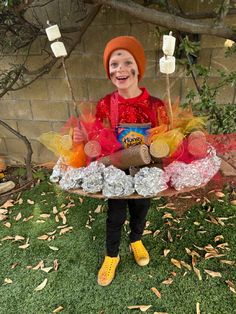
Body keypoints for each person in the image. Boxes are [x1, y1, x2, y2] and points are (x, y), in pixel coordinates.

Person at [95, 36, 168, 286]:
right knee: (115, 215)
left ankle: (136, 240)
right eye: (114, 64)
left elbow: (164, 142)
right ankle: (111, 255)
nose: (121, 69)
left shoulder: (156, 105)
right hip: (117, 173)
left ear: (139, 67)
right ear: (109, 71)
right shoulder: (106, 104)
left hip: (145, 172)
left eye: (127, 62)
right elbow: (99, 138)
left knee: (141, 210)